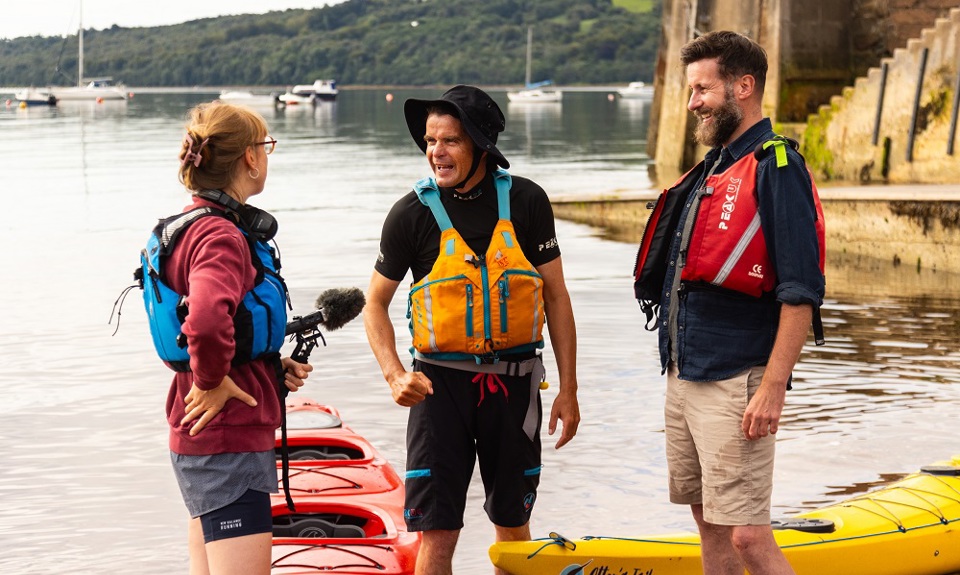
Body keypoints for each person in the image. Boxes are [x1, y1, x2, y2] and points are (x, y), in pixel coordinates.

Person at [363, 85, 581, 575]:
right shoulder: (410, 214)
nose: (435, 152)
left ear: (481, 144)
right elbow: (374, 305)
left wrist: (568, 388)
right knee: (437, 531)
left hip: (515, 384)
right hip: (437, 391)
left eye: (450, 141)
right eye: (429, 141)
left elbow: (557, 297)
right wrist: (395, 374)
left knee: (513, 529)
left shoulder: (527, 201)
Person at [633, 32, 825, 575]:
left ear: (743, 87)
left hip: (736, 377)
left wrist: (773, 387)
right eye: (690, 89)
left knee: (748, 536)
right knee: (707, 519)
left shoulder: (776, 166)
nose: (692, 101)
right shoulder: (715, 167)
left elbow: (801, 290)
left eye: (702, 89)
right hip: (685, 371)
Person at [143, 101, 312, 575]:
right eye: (266, 145)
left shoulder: (191, 225)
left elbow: (219, 321)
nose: (267, 155)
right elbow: (205, 316)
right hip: (225, 435)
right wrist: (212, 379)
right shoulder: (221, 236)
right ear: (250, 159)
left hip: (201, 431)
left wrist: (266, 365)